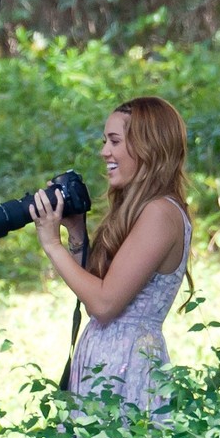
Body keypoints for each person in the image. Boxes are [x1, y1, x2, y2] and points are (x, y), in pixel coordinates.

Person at [29, 96, 193, 419]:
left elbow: (105, 305)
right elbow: (94, 297)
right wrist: (76, 236)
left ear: (148, 146)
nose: (105, 151)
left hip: (129, 368)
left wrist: (52, 245)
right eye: (105, 141)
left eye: (115, 141)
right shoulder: (140, 211)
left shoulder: (161, 213)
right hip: (107, 366)